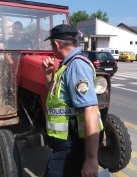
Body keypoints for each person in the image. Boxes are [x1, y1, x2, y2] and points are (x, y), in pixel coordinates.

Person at [42, 24, 103, 177]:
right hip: (65, 142)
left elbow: (91, 110)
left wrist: (91, 159)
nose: (52, 49)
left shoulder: (76, 65)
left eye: (51, 45)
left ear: (56, 44)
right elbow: (59, 99)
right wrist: (49, 75)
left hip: (72, 142)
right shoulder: (66, 65)